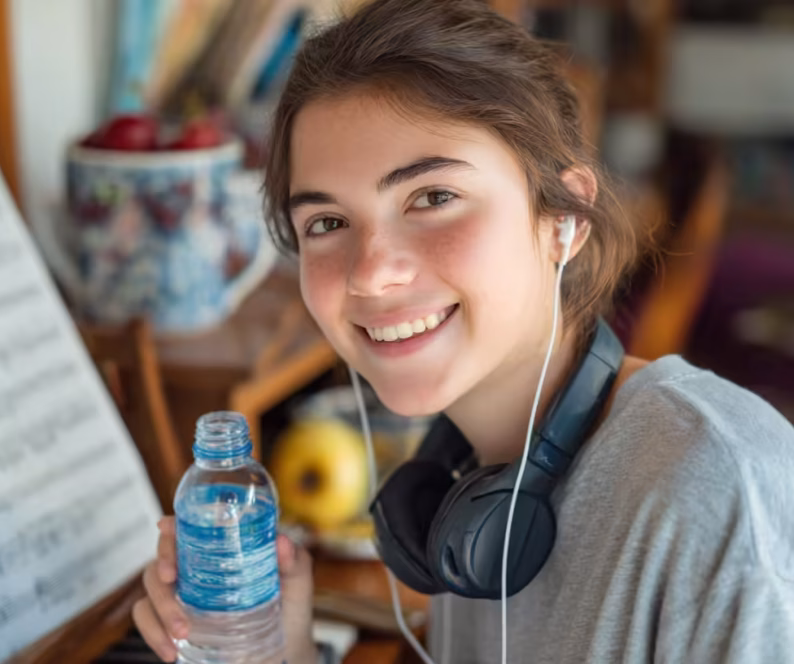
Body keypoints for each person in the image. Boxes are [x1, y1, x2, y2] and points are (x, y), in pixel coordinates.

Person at [133, 0, 794, 662]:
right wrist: (284, 653)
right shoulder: (465, 494)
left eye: (431, 198)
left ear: (564, 217)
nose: (371, 274)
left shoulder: (717, 487)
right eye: (327, 223)